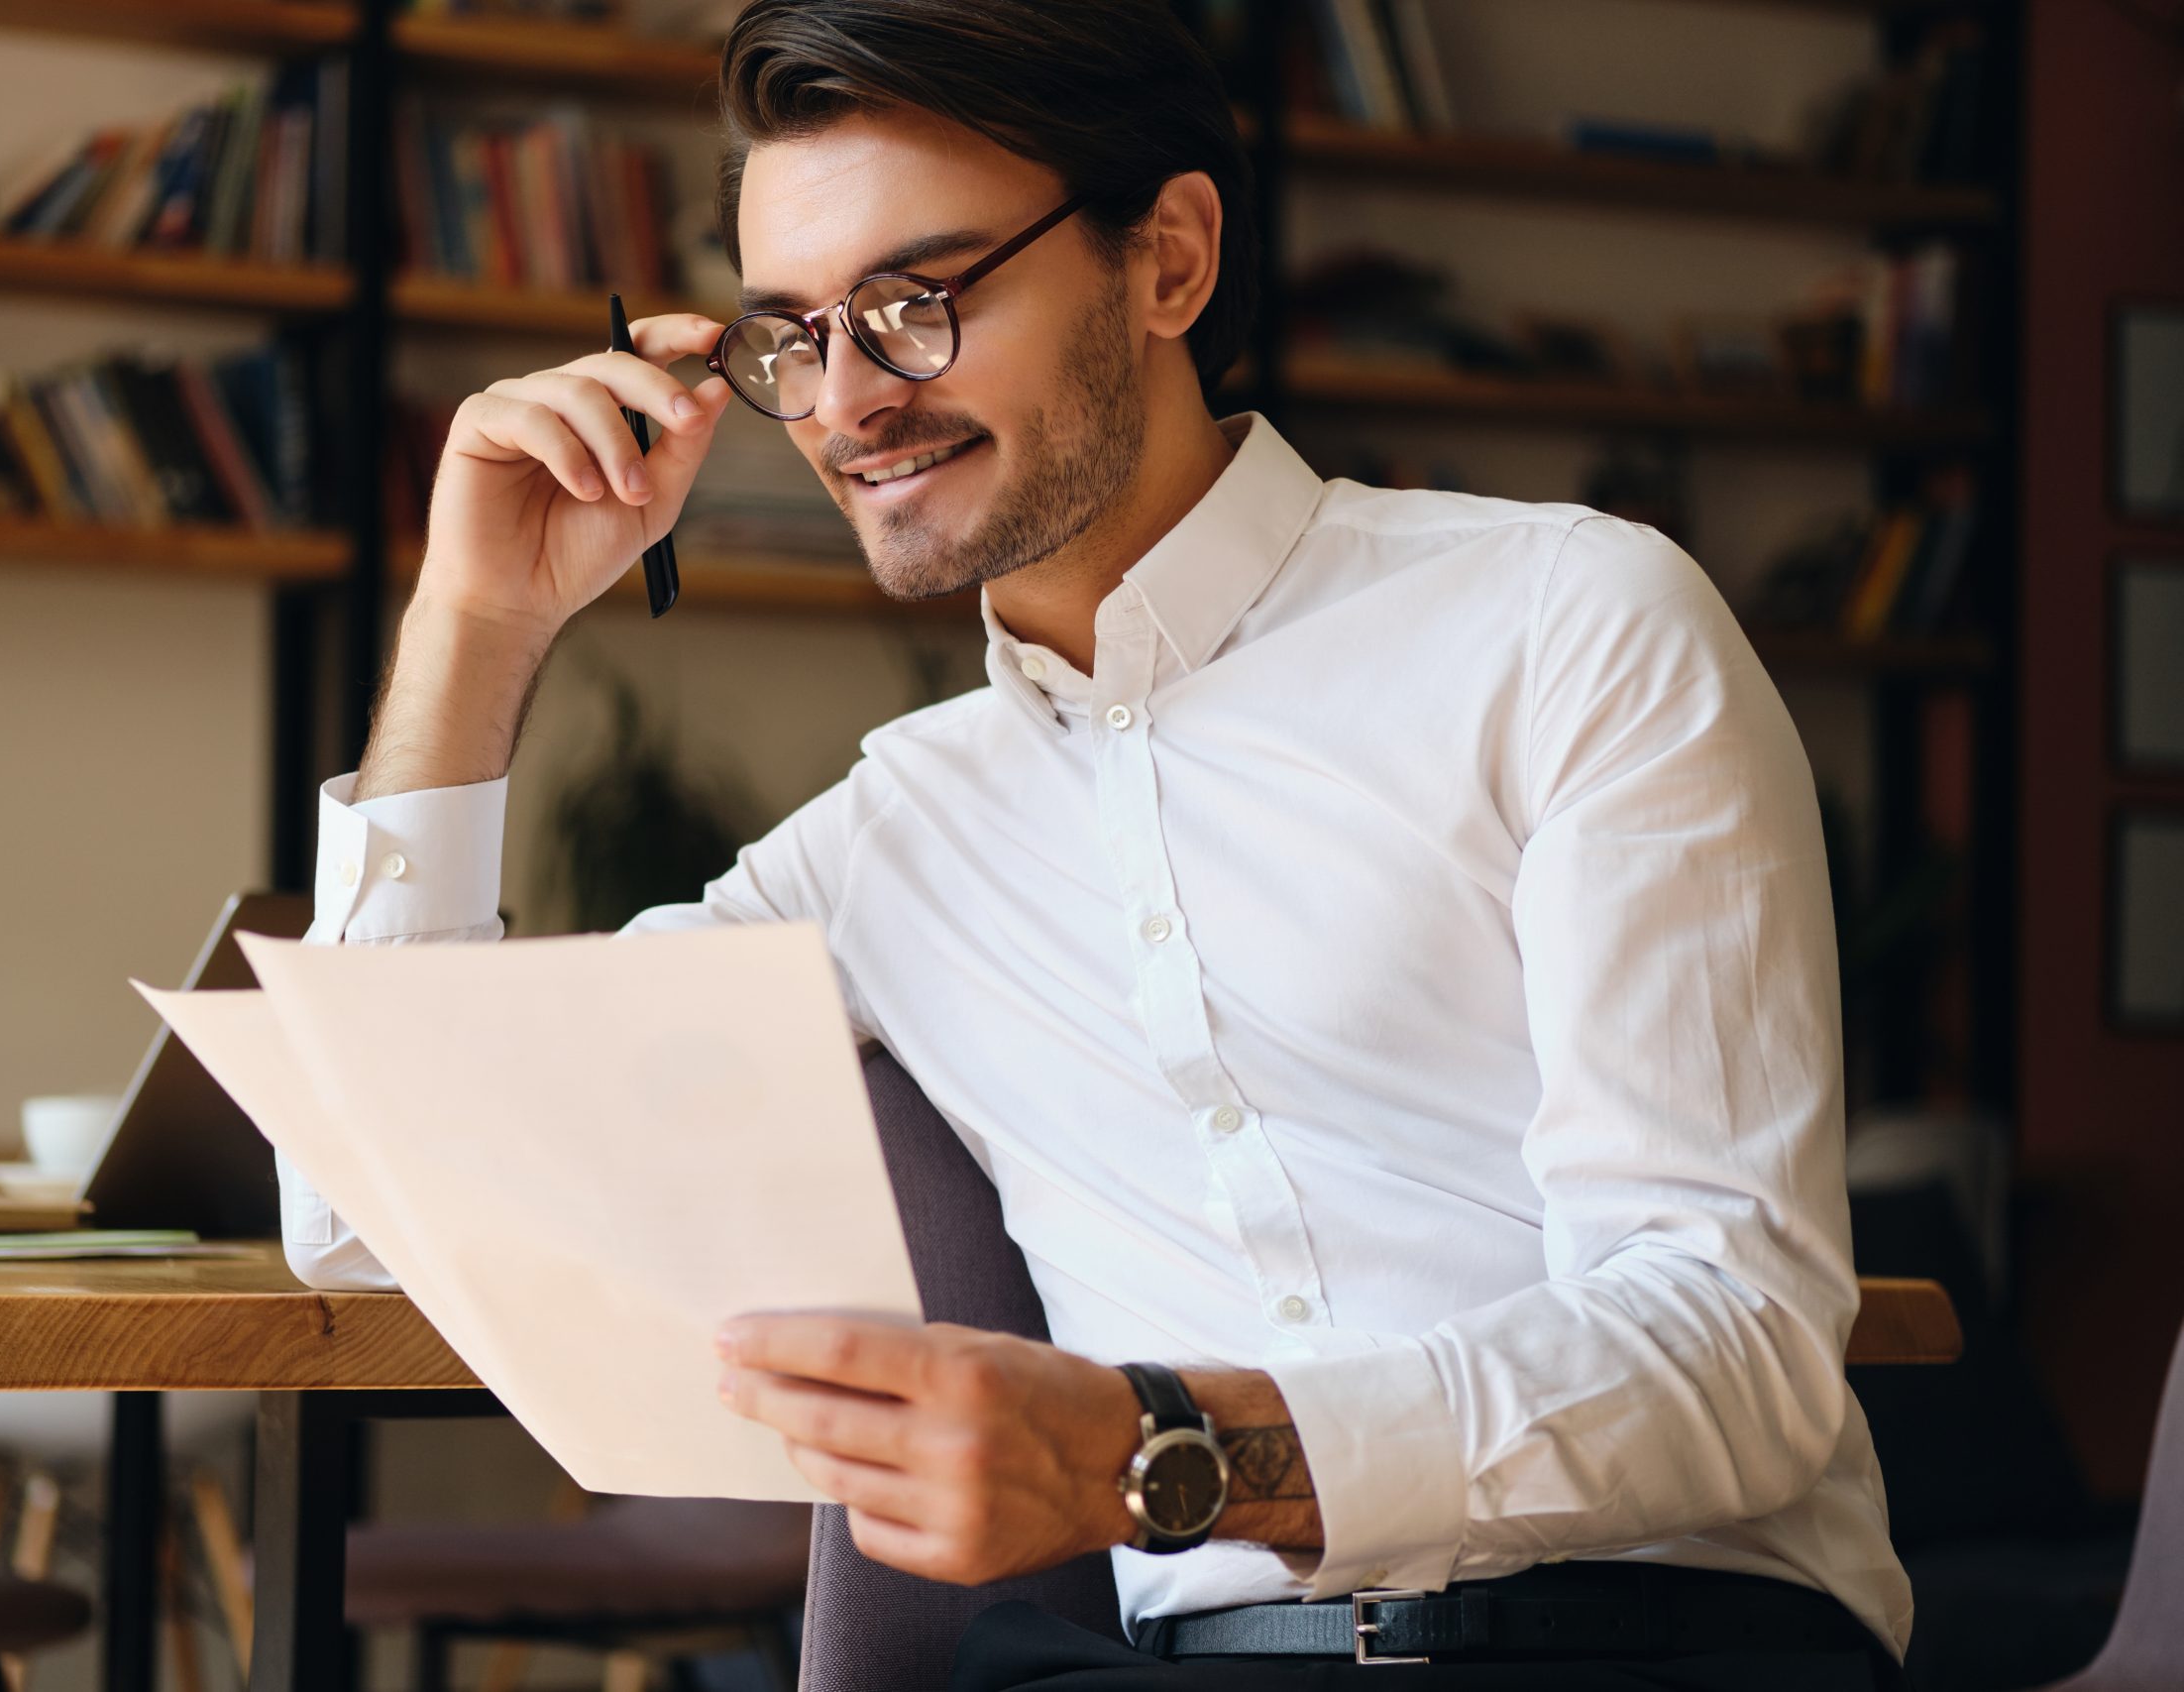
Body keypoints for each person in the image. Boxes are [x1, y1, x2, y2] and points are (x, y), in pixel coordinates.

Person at [276, 1, 1911, 1684]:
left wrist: (1156, 1449)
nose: (847, 404)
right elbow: (367, 1205)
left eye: (918, 306)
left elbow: (1738, 1352)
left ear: (1170, 262)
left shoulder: (1567, 624)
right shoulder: (890, 838)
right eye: (794, 336)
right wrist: (475, 623)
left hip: (1647, 1635)